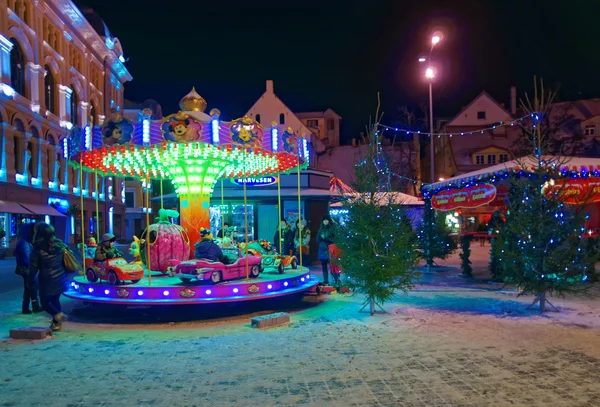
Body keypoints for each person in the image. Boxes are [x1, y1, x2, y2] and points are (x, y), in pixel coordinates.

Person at [28, 222, 69, 332]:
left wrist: (29, 280)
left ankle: (57, 314)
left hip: (47, 279)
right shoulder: (60, 244)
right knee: (55, 300)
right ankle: (57, 324)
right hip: (61, 278)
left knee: (45, 303)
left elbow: (33, 267)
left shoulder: (37, 248)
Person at [14, 223, 41, 314]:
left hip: (28, 269)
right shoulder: (24, 242)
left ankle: (32, 306)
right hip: (27, 269)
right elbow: (27, 258)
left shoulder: (26, 241)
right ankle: (29, 307)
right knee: (30, 286)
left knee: (30, 287)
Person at [316, 215, 337, 286]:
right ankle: (325, 280)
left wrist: (327, 240)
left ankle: (335, 280)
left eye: (327, 220)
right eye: (324, 220)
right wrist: (320, 239)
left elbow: (334, 238)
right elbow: (317, 239)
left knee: (332, 265)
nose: (325, 221)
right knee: (324, 265)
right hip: (322, 249)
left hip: (329, 248)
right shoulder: (320, 228)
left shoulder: (332, 228)